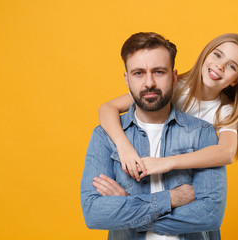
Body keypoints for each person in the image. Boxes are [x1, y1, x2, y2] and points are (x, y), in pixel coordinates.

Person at [81, 32, 227, 239]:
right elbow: (94, 214)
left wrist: (126, 206)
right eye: (139, 73)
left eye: (159, 72)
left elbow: (210, 216)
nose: (149, 83)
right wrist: (171, 198)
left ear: (174, 77)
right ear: (127, 79)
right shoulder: (105, 136)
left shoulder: (201, 133)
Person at [99, 33, 238, 181]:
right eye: (217, 55)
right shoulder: (173, 87)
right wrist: (124, 147)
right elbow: (107, 108)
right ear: (205, 54)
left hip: (178, 177)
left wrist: (168, 162)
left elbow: (226, 152)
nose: (220, 66)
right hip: (142, 169)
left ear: (236, 80)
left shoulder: (225, 111)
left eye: (232, 66)